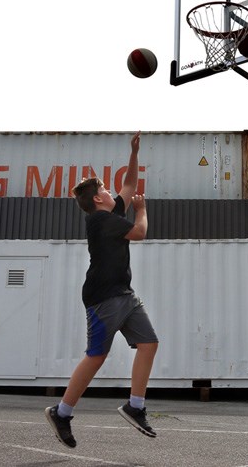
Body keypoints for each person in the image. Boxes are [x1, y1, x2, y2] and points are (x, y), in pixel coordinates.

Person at [45, 131, 159, 448]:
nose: (112, 192)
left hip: (123, 294)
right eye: (105, 190)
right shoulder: (100, 220)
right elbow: (139, 233)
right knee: (97, 356)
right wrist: (142, 210)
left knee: (149, 343)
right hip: (103, 297)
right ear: (97, 200)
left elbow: (129, 185)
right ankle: (62, 413)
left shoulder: (109, 215)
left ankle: (135, 407)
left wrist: (134, 153)